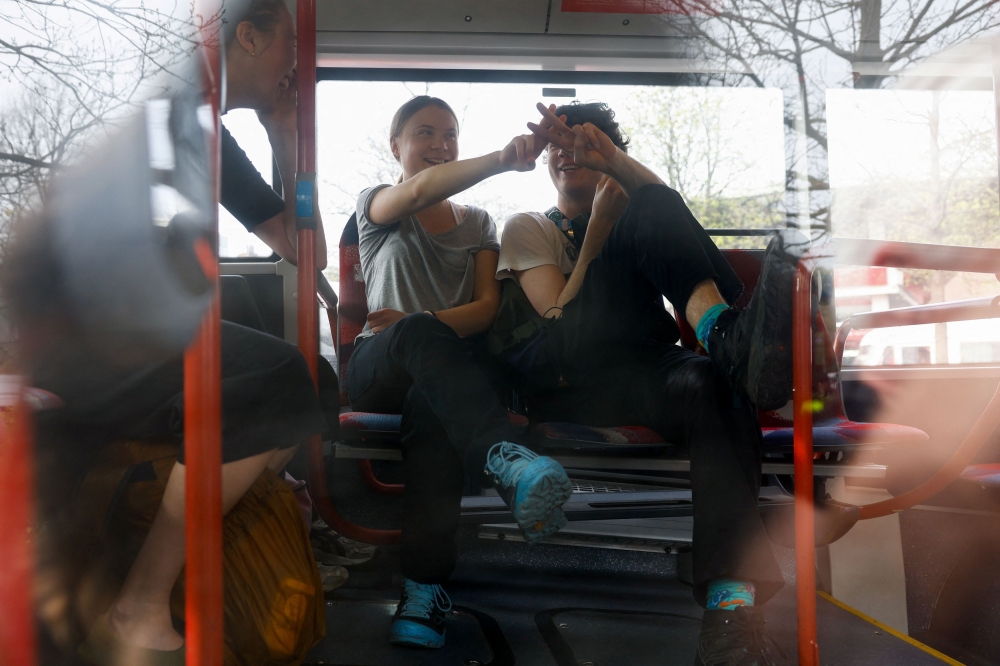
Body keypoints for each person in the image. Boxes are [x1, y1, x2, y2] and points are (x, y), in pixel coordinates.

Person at [20, 1, 337, 663]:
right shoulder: (160, 110)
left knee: (309, 379)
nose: (296, 68)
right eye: (291, 46)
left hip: (117, 331)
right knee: (275, 376)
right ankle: (137, 605)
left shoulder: (207, 132)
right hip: (76, 335)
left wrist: (283, 133)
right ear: (248, 36)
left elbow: (304, 250)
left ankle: (173, 516)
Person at [494, 101, 804, 666]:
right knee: (647, 207)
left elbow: (657, 198)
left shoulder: (636, 206)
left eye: (584, 145)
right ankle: (725, 330)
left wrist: (616, 164)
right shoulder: (529, 227)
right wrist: (600, 234)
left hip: (645, 363)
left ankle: (729, 613)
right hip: (570, 369)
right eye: (558, 147)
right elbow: (556, 316)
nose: (568, 156)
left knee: (719, 384)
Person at [348, 95, 574, 650]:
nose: (440, 145)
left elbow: (484, 310)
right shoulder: (377, 204)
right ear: (395, 145)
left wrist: (418, 323)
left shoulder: (478, 222)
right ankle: (503, 457)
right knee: (419, 335)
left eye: (449, 135)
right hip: (379, 361)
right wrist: (503, 158)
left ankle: (424, 592)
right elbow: (422, 190)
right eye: (424, 133)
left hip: (443, 376)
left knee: (433, 396)